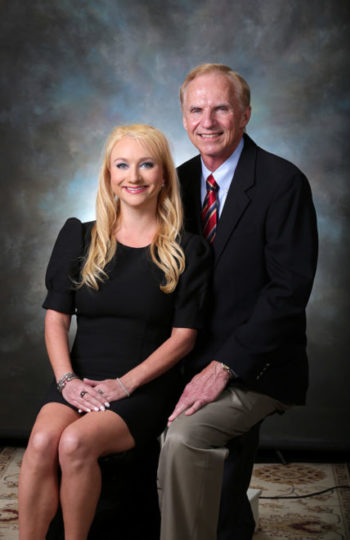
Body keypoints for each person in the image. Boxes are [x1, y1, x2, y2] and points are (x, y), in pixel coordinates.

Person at [18, 123, 211, 540]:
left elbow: (184, 338)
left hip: (143, 387)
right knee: (41, 443)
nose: (134, 176)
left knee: (74, 445)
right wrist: (66, 381)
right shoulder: (80, 236)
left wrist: (123, 385)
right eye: (122, 165)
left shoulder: (187, 249)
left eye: (146, 165)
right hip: (80, 379)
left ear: (163, 176)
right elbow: (56, 319)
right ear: (109, 175)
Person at [157, 63, 318, 540]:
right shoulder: (174, 183)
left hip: (257, 364)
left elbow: (288, 293)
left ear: (245, 114)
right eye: (196, 110)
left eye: (221, 108)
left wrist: (224, 366)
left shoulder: (282, 183)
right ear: (184, 119)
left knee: (183, 438)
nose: (208, 121)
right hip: (184, 357)